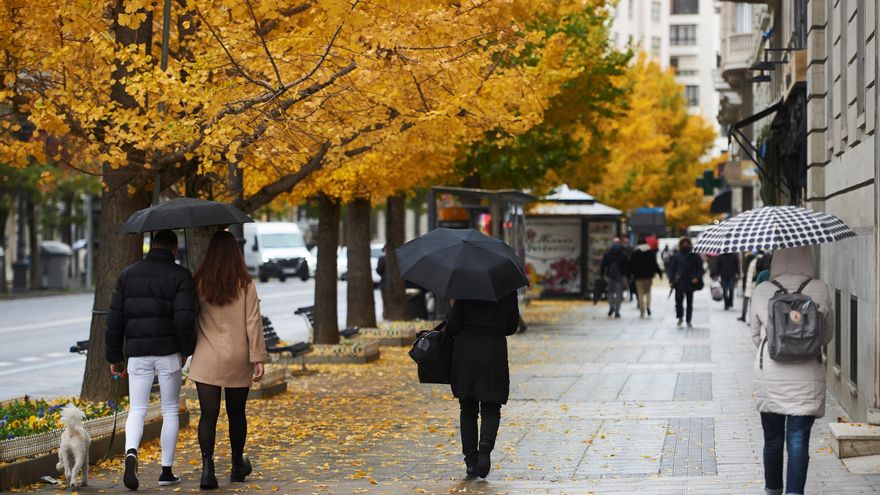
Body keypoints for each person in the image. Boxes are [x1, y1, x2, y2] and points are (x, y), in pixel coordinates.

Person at [106, 229, 197, 490]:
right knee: (169, 410)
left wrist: (115, 356)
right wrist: (186, 349)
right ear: (174, 249)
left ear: (151, 245)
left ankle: (131, 452)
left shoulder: (127, 275)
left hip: (137, 354)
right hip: (168, 352)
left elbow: (114, 320)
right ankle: (166, 471)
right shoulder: (181, 275)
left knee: (137, 409)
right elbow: (184, 319)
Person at [750, 246, 833, 495]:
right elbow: (826, 335)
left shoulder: (763, 289)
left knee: (772, 440)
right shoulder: (819, 288)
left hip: (770, 376)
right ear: (807, 257)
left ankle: (772, 491)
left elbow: (755, 336)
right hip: (808, 375)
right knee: (798, 440)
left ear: (777, 260)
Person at [188, 231, 267, 489]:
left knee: (207, 416)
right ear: (236, 253)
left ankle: (208, 471)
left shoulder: (199, 282)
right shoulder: (246, 284)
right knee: (236, 414)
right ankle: (236, 466)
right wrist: (258, 358)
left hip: (206, 356)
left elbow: (189, 316)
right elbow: (253, 322)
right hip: (237, 355)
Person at [445, 291, 519, 479]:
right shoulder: (507, 292)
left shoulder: (465, 289)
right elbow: (511, 327)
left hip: (466, 354)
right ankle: (485, 448)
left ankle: (471, 462)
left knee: (468, 409)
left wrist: (454, 306)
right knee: (491, 407)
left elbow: (453, 327)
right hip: (494, 353)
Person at [667, 237, 704, 328]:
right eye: (683, 243)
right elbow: (672, 269)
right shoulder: (677, 256)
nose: (685, 245)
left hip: (690, 282)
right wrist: (671, 280)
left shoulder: (695, 256)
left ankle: (688, 320)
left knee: (689, 303)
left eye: (687, 243)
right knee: (678, 301)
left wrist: (697, 277)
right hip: (679, 282)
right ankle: (680, 317)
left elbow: (700, 269)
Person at [628, 237, 664, 318]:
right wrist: (659, 273)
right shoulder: (650, 252)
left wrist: (629, 274)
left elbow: (631, 265)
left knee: (640, 293)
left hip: (638, 276)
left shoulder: (635, 253)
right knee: (648, 292)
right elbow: (655, 264)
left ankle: (642, 310)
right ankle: (648, 305)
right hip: (648, 276)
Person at [600, 239, 628, 318]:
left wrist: (602, 275)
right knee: (619, 293)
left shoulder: (608, 254)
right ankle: (617, 311)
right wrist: (625, 275)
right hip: (619, 276)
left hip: (610, 276)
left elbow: (603, 265)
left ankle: (611, 306)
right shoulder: (623, 254)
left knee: (610, 292)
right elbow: (626, 266)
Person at [738, 250, 765, 323]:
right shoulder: (758, 261)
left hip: (752, 285)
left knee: (751, 303)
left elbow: (753, 274)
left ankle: (750, 319)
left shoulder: (754, 261)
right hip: (754, 285)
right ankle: (750, 319)